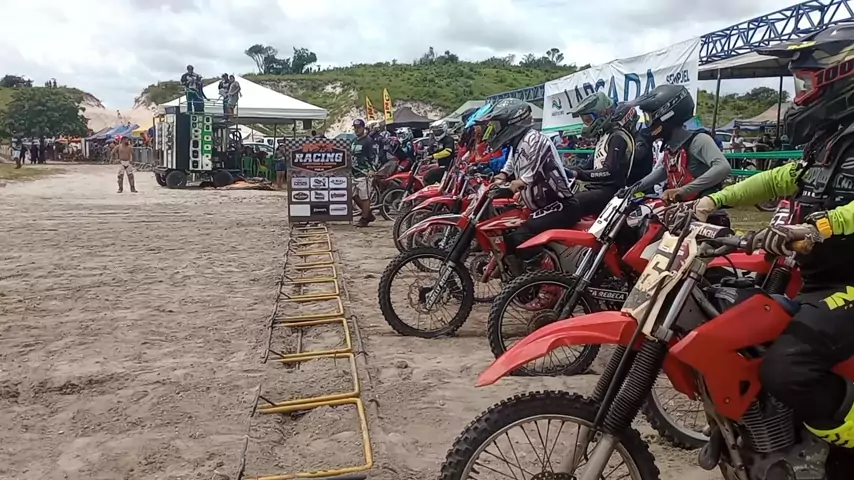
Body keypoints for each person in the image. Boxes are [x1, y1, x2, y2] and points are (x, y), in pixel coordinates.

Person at [689, 25, 854, 453]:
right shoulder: (831, 140)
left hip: (848, 283)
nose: (799, 95)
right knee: (736, 323)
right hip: (817, 278)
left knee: (787, 370)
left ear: (841, 77)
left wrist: (817, 226)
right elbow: (781, 177)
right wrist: (713, 199)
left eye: (805, 83)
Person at [481, 98, 575, 272]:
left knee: (521, 236)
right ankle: (519, 277)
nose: (495, 129)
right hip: (539, 206)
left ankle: (545, 279)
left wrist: (508, 188)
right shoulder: (518, 142)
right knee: (508, 235)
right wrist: (501, 176)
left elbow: (526, 177)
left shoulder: (535, 140)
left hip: (559, 204)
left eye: (497, 124)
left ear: (513, 122)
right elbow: (510, 164)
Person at [629, 84, 731, 205]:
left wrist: (683, 191)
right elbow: (666, 170)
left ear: (667, 116)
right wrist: (632, 189)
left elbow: (723, 167)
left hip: (705, 210)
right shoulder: (672, 146)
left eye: (649, 118)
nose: (649, 124)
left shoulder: (698, 140)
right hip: (683, 209)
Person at [564, 92, 642, 219]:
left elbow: (610, 171)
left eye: (588, 120)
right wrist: (563, 169)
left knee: (568, 205)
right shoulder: (603, 136)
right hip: (596, 188)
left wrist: (578, 174)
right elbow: (587, 166)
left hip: (611, 191)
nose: (586, 124)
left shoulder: (618, 136)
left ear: (601, 114)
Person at [350, 119, 377, 227]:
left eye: (358, 127)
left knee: (364, 196)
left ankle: (364, 219)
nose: (356, 130)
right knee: (352, 194)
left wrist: (372, 169)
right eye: (355, 128)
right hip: (354, 172)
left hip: (364, 172)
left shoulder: (368, 140)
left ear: (363, 128)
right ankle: (368, 213)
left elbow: (374, 155)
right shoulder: (354, 141)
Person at [422, 121, 456, 185]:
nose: (436, 133)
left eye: (438, 131)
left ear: (444, 130)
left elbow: (447, 152)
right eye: (434, 131)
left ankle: (434, 189)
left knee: (428, 176)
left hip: (448, 166)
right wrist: (426, 154)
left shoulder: (449, 139)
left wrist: (433, 156)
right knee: (423, 170)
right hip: (439, 164)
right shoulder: (436, 141)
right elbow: (431, 150)